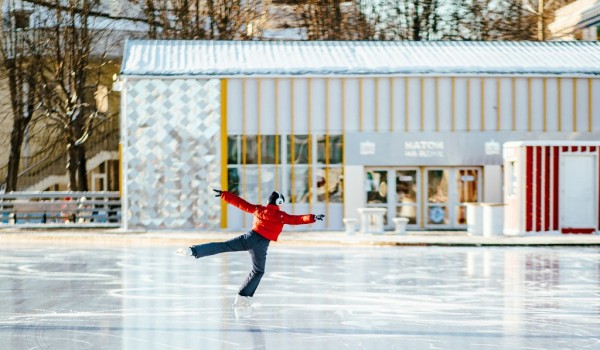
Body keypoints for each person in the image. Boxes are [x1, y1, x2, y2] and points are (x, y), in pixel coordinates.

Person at [176, 189, 325, 307]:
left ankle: (193, 250)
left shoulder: (258, 209)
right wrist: (313, 217)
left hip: (249, 238)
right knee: (258, 271)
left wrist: (224, 195)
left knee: (224, 246)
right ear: (279, 202)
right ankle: (242, 297)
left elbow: (240, 203)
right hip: (261, 245)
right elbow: (297, 219)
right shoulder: (281, 216)